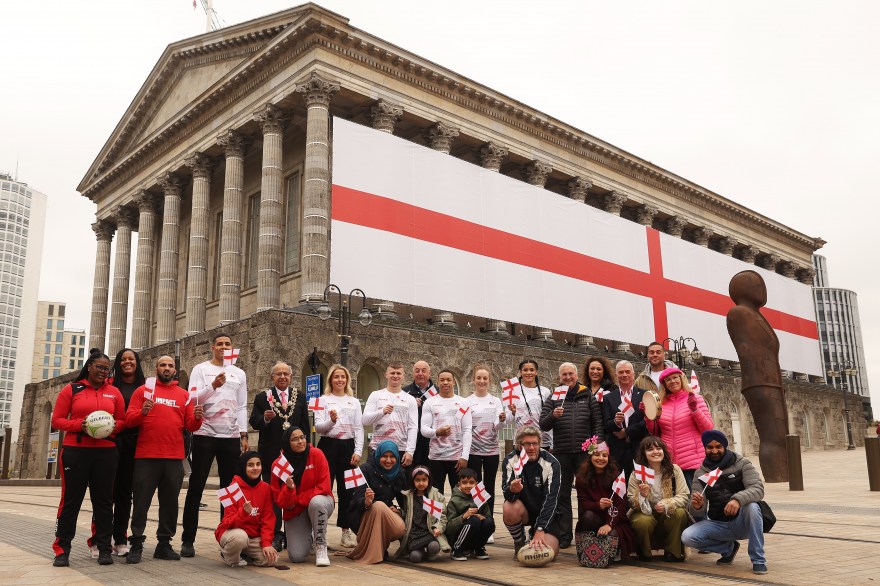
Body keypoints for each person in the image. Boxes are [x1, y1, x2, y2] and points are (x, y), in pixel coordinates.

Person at [124, 355, 203, 564]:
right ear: (156, 367)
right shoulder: (143, 391)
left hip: (174, 458)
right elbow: (128, 420)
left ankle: (164, 544)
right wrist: (142, 412)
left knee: (169, 504)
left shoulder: (183, 395)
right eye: (163, 365)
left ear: (175, 371)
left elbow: (191, 426)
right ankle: (137, 542)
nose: (167, 368)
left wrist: (197, 416)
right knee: (141, 503)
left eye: (170, 366)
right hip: (146, 456)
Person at [50, 349, 125, 567]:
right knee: (70, 501)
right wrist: (81, 426)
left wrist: (108, 427)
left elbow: (122, 421)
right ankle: (62, 549)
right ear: (89, 366)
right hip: (76, 451)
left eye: (107, 368)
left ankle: (103, 548)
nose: (103, 371)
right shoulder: (72, 389)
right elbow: (57, 420)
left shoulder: (114, 393)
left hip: (106, 451)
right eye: (99, 367)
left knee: (103, 502)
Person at [181, 333, 249, 557]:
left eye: (227, 343)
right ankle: (188, 540)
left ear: (232, 347)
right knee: (196, 486)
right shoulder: (201, 369)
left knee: (228, 490)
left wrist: (243, 433)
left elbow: (241, 406)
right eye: (219, 344)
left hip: (230, 438)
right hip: (205, 434)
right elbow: (192, 399)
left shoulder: (239, 373)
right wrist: (213, 385)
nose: (223, 346)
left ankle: (226, 537)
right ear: (212, 347)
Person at [86, 348, 146, 558]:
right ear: (117, 363)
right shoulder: (109, 385)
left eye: (131, 359)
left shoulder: (146, 387)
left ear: (137, 363)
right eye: (123, 359)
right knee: (105, 494)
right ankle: (98, 540)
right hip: (112, 442)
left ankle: (120, 538)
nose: (127, 362)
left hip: (136, 444)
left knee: (125, 494)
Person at [682, 430, 768, 575]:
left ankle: (758, 559)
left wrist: (737, 500)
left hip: (743, 522)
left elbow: (758, 489)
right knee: (688, 537)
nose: (714, 450)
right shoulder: (700, 473)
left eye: (718, 447)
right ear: (705, 448)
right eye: (710, 447)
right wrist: (697, 506)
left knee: (752, 507)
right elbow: (698, 512)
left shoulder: (742, 463)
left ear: (725, 447)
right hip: (719, 523)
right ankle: (728, 548)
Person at [539, 362, 604, 549]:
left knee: (585, 493)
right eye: (564, 375)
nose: (567, 377)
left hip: (585, 453)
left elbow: (597, 423)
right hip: (562, 452)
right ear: (560, 377)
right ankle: (565, 535)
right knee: (562, 495)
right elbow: (543, 424)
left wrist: (596, 445)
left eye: (571, 374)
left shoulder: (587, 395)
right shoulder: (554, 396)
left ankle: (583, 532)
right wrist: (553, 416)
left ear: (576, 375)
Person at [248, 361, 308, 551]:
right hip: (271, 455)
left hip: (295, 457)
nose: (282, 377)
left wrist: (306, 451)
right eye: (278, 374)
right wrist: (265, 418)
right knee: (273, 496)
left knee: (294, 493)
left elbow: (305, 425)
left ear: (291, 377)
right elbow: (254, 422)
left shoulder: (300, 397)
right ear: (272, 377)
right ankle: (274, 534)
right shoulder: (262, 397)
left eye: (286, 374)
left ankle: (294, 533)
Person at [313, 363, 364, 549]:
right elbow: (318, 427)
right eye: (336, 377)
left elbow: (359, 428)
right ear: (330, 380)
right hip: (328, 446)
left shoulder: (354, 401)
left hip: (348, 447)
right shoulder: (322, 399)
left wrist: (358, 451)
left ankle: (345, 531)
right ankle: (319, 531)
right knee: (323, 489)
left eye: (343, 377)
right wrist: (331, 421)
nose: (340, 380)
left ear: (347, 380)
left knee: (347, 492)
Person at [271, 425, 334, 566]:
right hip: (295, 511)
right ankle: (309, 538)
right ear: (287, 443)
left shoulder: (317, 454)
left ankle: (320, 545)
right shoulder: (279, 465)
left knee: (317, 503)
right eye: (294, 439)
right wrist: (289, 489)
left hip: (321, 503)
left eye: (302, 437)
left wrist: (298, 498)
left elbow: (324, 487)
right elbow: (281, 502)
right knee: (297, 556)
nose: (300, 441)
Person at [645, 367, 714, 488]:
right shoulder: (661, 403)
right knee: (675, 502)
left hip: (692, 460)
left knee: (694, 501)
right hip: (669, 462)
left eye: (675, 377)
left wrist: (695, 409)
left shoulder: (695, 398)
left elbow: (707, 429)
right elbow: (655, 432)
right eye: (668, 380)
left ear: (681, 379)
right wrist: (648, 415)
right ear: (664, 384)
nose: (672, 381)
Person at [501, 425, 562, 559]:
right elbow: (507, 495)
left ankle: (535, 534)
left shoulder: (551, 463)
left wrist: (540, 529)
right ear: (518, 445)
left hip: (546, 514)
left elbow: (551, 500)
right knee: (508, 507)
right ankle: (519, 542)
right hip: (524, 512)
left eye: (535, 443)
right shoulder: (510, 461)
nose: (531, 448)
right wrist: (512, 490)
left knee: (545, 555)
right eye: (527, 444)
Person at [627, 436, 689, 562]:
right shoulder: (637, 474)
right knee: (642, 521)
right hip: (645, 512)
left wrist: (667, 503)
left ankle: (673, 552)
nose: (655, 452)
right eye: (650, 449)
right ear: (644, 453)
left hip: (666, 513)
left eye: (658, 448)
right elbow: (631, 501)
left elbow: (683, 495)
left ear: (664, 451)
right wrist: (642, 495)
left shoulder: (674, 470)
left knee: (680, 513)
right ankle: (644, 553)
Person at [574, 438, 635, 562]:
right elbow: (583, 503)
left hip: (615, 519)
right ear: (590, 457)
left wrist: (609, 524)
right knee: (587, 516)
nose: (601, 458)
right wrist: (598, 505)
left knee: (611, 536)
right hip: (594, 516)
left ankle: (610, 552)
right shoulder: (581, 478)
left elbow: (621, 504)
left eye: (604, 455)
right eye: (597, 455)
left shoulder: (616, 476)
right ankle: (589, 547)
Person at [215, 451, 279, 568]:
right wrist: (243, 513)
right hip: (233, 534)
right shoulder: (233, 488)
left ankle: (244, 554)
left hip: (253, 537)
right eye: (250, 465)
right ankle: (228, 555)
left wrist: (266, 543)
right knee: (240, 538)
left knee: (271, 559)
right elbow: (227, 522)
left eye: (258, 464)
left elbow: (268, 518)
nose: (255, 468)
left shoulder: (265, 488)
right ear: (243, 467)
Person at [347, 440, 407, 564]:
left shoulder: (399, 473)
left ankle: (380, 548)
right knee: (378, 506)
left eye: (392, 457)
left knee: (400, 527)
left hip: (384, 515)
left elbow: (405, 501)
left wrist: (399, 511)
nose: (388, 460)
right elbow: (355, 500)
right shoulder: (365, 469)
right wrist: (367, 501)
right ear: (378, 455)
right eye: (384, 456)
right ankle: (374, 553)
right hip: (363, 516)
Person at [465, 365, 505, 527]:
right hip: (473, 450)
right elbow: (464, 425)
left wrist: (502, 420)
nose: (482, 381)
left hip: (491, 451)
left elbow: (498, 426)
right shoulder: (467, 401)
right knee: (476, 487)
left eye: (485, 378)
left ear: (489, 381)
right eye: (479, 378)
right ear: (474, 380)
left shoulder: (495, 401)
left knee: (489, 486)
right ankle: (477, 519)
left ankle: (489, 522)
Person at [421, 369, 473, 493]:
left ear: (453, 382)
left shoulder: (463, 402)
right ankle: (436, 514)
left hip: (457, 457)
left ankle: (458, 513)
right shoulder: (430, 402)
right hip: (436, 456)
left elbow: (467, 430)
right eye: (442, 380)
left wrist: (465, 456)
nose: (445, 382)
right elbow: (423, 429)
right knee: (435, 493)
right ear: (438, 382)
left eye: (448, 380)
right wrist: (437, 432)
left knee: (459, 493)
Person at [363, 362, 418, 467]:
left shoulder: (410, 399)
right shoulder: (375, 395)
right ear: (386, 374)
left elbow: (413, 427)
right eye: (392, 373)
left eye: (398, 373)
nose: (395, 376)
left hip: (400, 449)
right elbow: (365, 420)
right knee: (375, 482)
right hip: (378, 448)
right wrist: (381, 412)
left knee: (400, 483)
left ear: (403, 376)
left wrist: (410, 451)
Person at [602, 360, 648, 481]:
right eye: (621, 372)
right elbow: (606, 424)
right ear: (616, 376)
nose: (624, 375)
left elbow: (647, 421)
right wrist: (616, 423)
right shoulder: (608, 398)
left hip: (639, 448)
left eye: (627, 371)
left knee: (640, 485)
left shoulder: (644, 395)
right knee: (618, 487)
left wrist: (626, 432)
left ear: (633, 374)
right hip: (617, 451)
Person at [397, 466, 449, 562]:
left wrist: (439, 528)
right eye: (417, 480)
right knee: (414, 558)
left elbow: (442, 517)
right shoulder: (408, 496)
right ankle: (421, 552)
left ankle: (430, 552)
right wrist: (399, 512)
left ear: (429, 480)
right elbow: (407, 514)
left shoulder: (436, 496)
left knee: (433, 547)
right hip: (414, 534)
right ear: (413, 481)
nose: (421, 483)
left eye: (424, 480)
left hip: (429, 532)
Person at [446, 467, 495, 561]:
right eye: (464, 483)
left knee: (489, 522)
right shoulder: (454, 501)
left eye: (471, 483)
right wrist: (464, 516)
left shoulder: (480, 498)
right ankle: (457, 550)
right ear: (459, 484)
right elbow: (448, 527)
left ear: (476, 484)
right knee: (474, 521)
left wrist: (482, 517)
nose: (468, 486)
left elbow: (488, 517)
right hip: (457, 537)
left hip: (474, 535)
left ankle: (477, 548)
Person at [507, 359, 552, 450]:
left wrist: (552, 442)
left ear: (536, 372)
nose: (528, 373)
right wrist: (513, 412)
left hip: (542, 441)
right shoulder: (512, 390)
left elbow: (549, 417)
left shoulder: (545, 391)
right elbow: (507, 420)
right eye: (525, 370)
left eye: (532, 370)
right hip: (521, 441)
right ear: (520, 372)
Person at [403, 360, 435, 467]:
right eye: (417, 371)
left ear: (429, 373)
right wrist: (410, 404)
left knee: (429, 477)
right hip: (411, 442)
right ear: (413, 374)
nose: (420, 373)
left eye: (423, 371)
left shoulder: (438, 392)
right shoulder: (404, 392)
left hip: (432, 443)